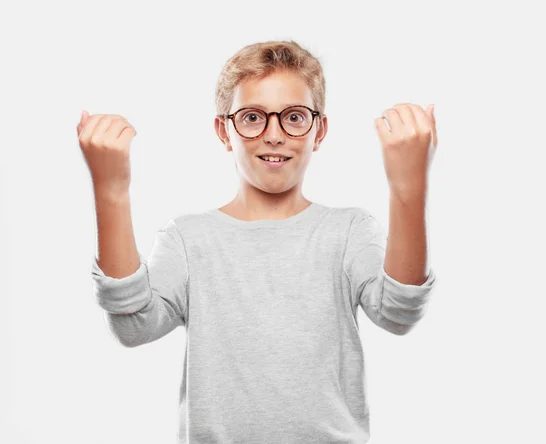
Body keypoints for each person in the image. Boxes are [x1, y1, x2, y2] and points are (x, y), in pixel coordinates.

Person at [78, 39, 438, 444]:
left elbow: (398, 313)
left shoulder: (349, 231)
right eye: (252, 117)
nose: (273, 135)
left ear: (318, 130)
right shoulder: (187, 238)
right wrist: (111, 191)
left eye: (294, 117)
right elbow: (133, 327)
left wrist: (409, 188)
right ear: (224, 130)